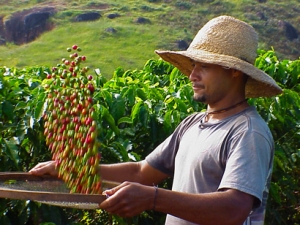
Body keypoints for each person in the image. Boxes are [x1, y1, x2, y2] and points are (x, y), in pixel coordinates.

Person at [29, 15, 282, 225]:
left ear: (234, 70)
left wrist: (153, 198)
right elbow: (142, 172)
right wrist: (74, 170)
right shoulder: (193, 124)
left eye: (203, 66)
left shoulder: (247, 132)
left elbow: (234, 208)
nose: (192, 75)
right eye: (193, 66)